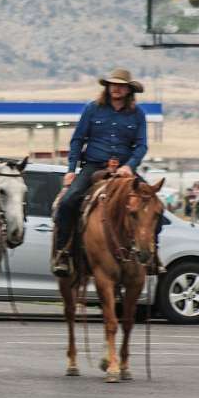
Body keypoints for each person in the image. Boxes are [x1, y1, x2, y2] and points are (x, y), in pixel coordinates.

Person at [52, 68, 148, 277]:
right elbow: (78, 140)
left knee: (152, 203)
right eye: (113, 84)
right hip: (94, 166)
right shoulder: (92, 109)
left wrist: (129, 166)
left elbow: (141, 146)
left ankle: (150, 255)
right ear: (107, 87)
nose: (116, 88)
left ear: (128, 90)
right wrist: (71, 170)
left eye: (121, 85)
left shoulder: (138, 114)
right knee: (68, 202)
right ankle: (63, 252)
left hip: (124, 171)